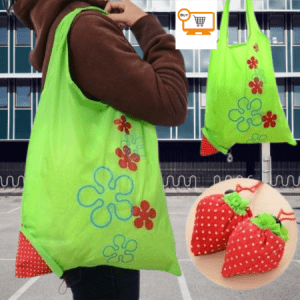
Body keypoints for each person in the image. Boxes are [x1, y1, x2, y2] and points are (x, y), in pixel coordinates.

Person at [11, 0, 188, 299]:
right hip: (106, 230)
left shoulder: (62, 27)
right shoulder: (86, 27)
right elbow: (172, 103)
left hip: (85, 224)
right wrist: (147, 26)